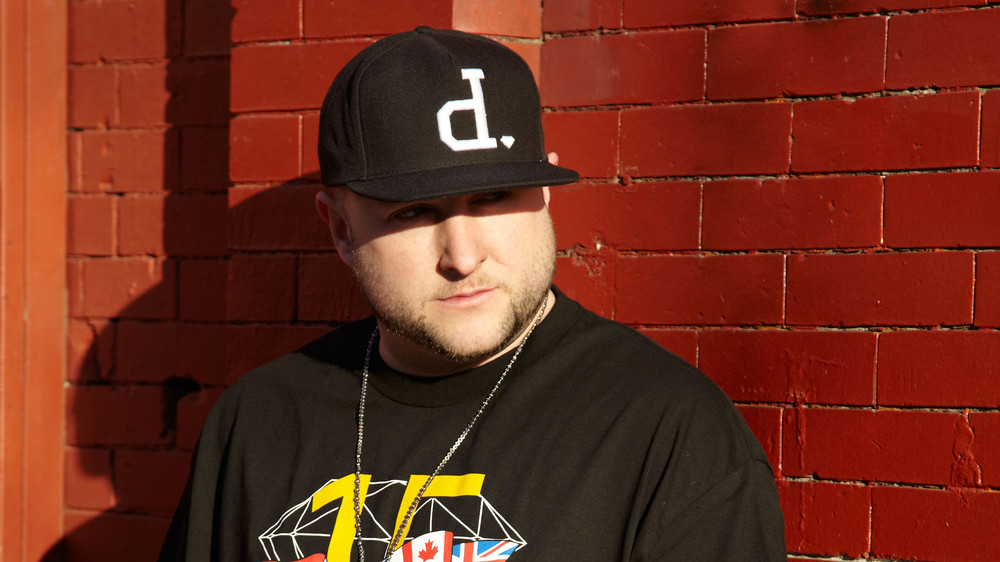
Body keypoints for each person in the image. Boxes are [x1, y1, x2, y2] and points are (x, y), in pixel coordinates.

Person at [158, 26, 786, 562]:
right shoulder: (257, 423)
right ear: (342, 229)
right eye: (413, 212)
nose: (462, 257)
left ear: (544, 196)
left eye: (493, 198)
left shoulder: (668, 432)